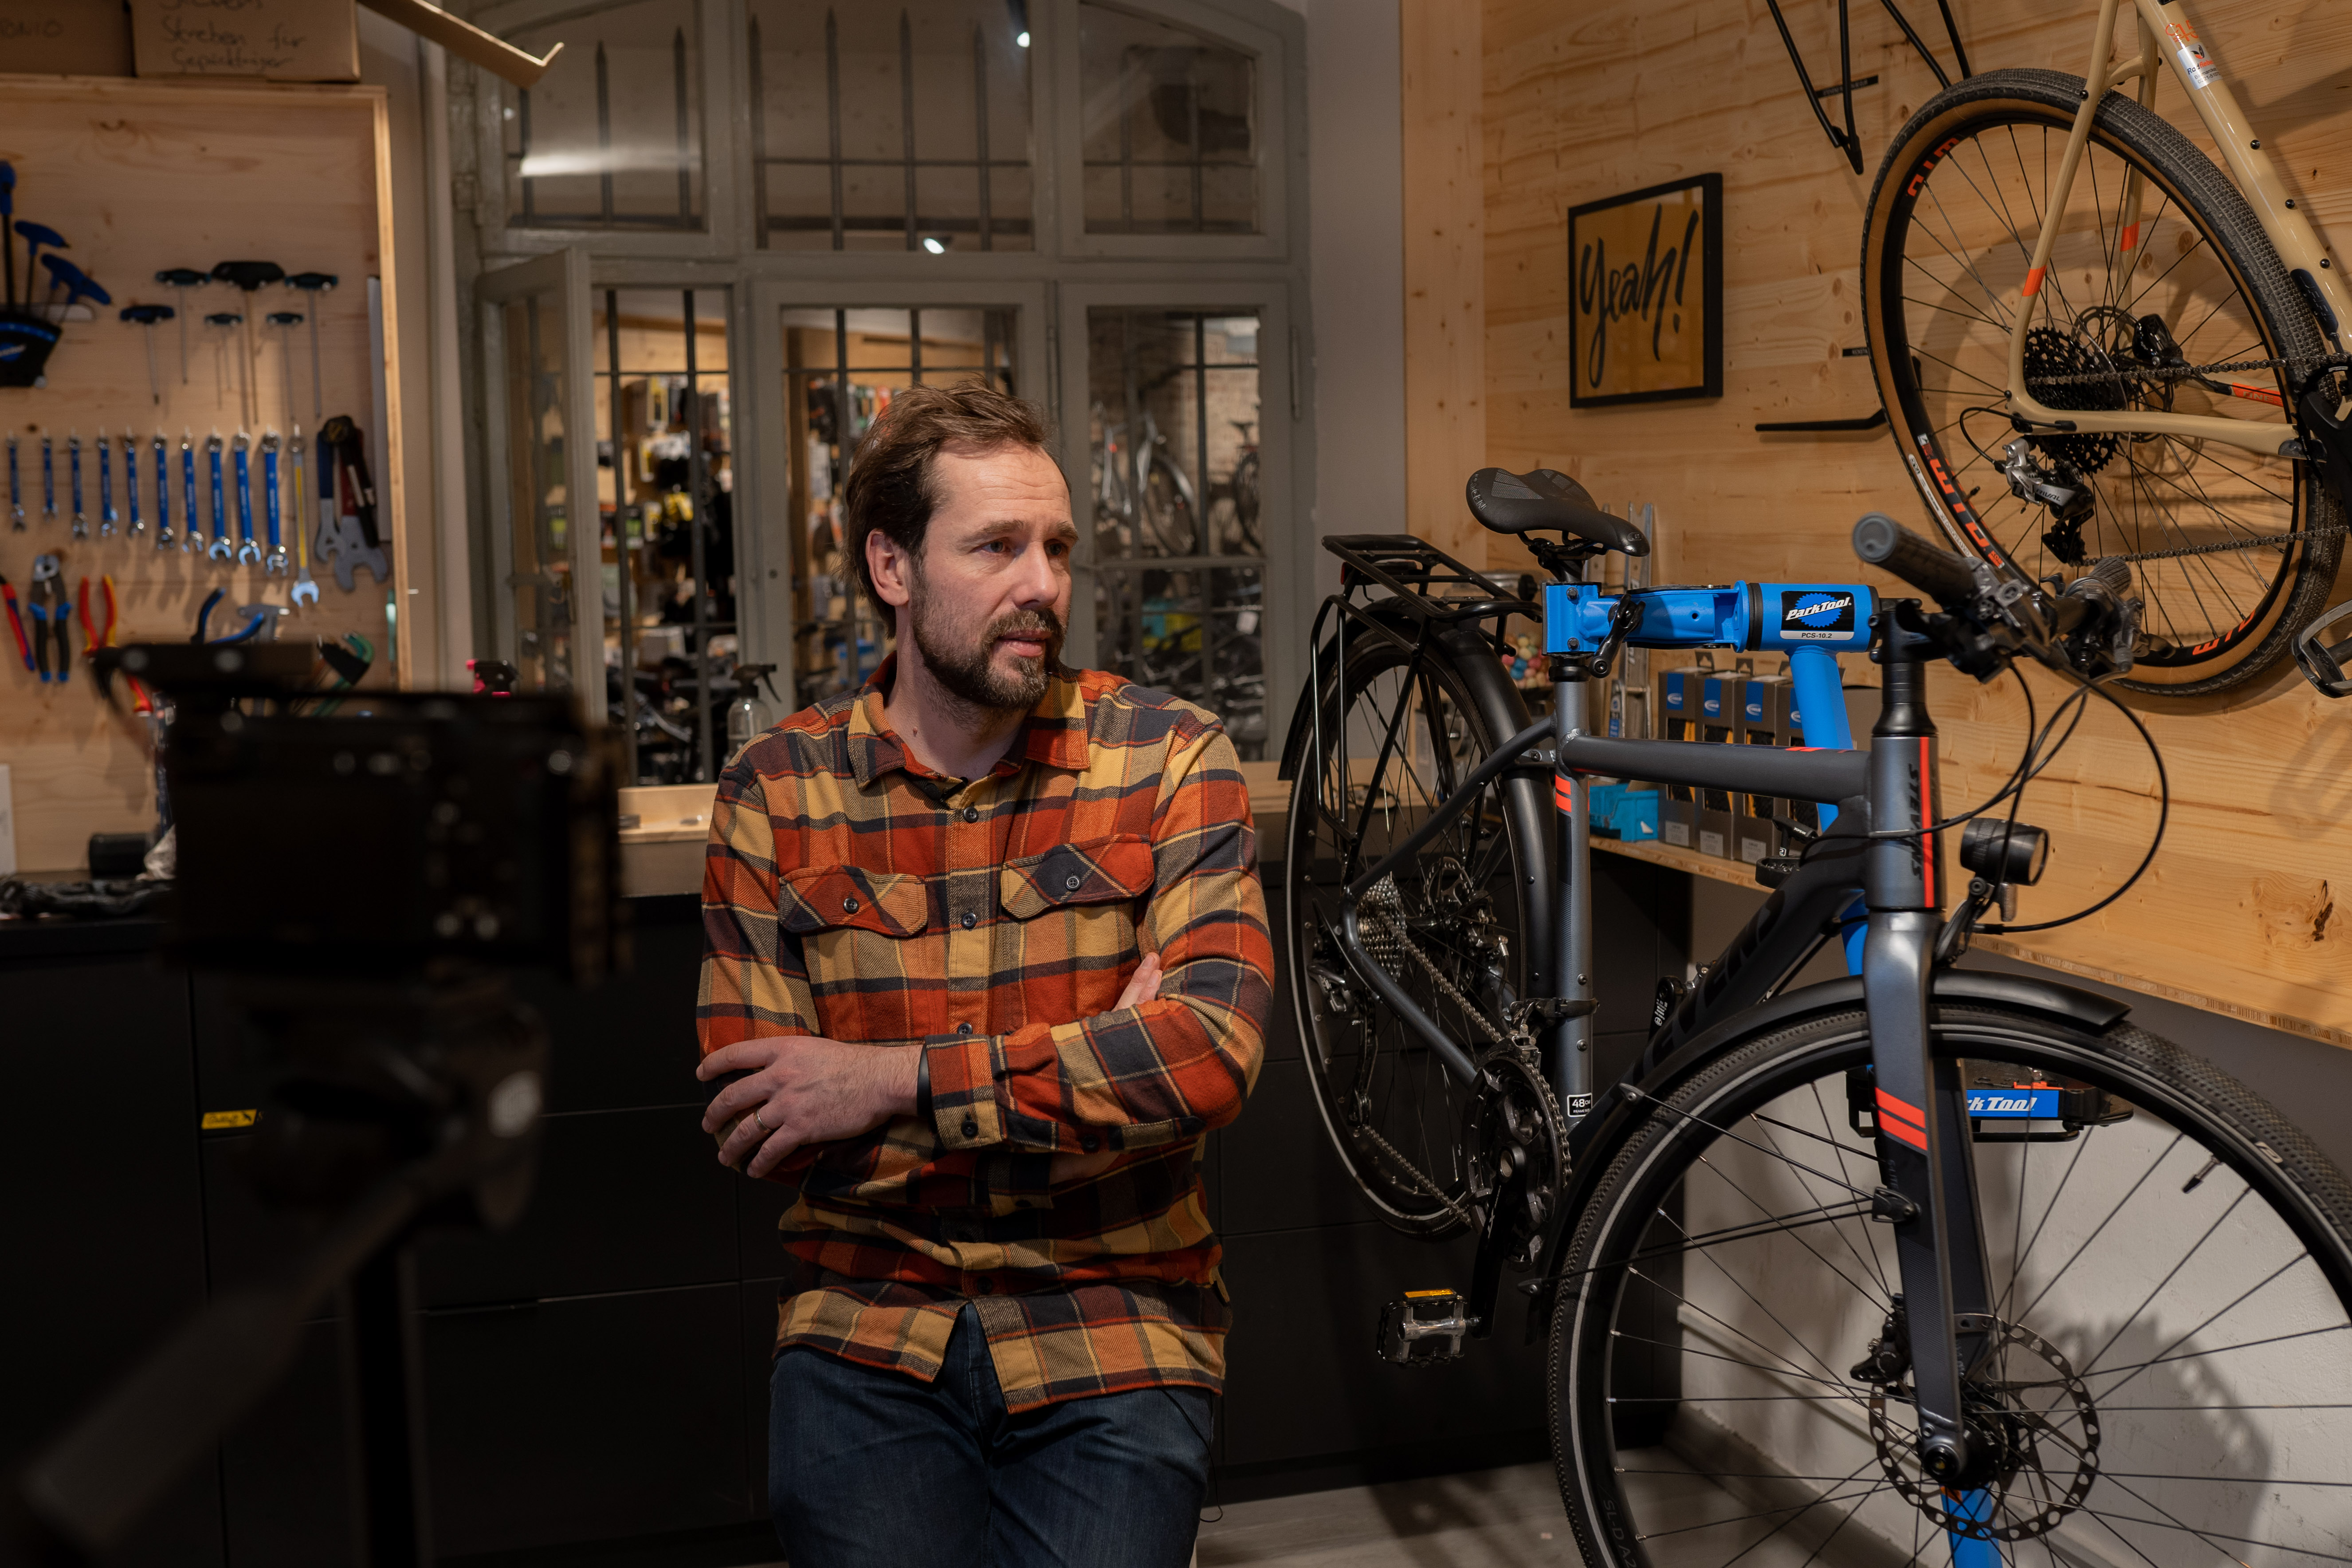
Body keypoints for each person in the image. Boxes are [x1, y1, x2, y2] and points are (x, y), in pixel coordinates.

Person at [695, 382, 1272, 1568]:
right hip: (866, 1325)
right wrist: (1096, 1060)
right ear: (892, 568)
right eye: (998, 546)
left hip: (1114, 1313)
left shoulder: (1168, 757)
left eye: (1056, 547)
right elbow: (774, 1125)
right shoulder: (778, 792)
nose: (1044, 586)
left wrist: (885, 1082)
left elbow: (1209, 1058)